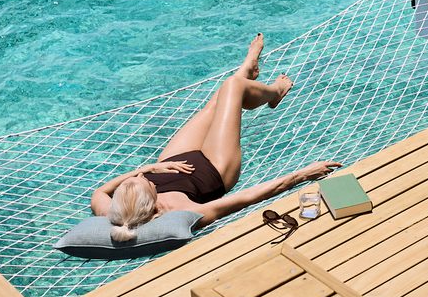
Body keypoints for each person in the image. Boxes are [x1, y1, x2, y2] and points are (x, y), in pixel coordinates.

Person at [90, 34, 340, 241]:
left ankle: (247, 70)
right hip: (216, 167)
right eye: (145, 181)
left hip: (171, 161)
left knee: (214, 107)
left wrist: (152, 167)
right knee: (233, 87)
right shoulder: (184, 212)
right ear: (153, 203)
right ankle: (275, 92)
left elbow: (100, 191)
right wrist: (303, 174)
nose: (141, 175)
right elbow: (247, 198)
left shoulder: (112, 211)